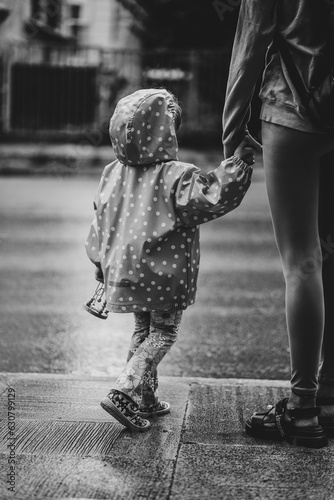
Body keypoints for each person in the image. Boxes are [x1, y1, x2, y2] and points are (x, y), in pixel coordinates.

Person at [85, 88, 253, 432]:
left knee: (142, 329)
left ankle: (146, 399)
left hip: (124, 268)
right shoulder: (176, 174)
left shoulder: (112, 172)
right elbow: (211, 198)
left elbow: (99, 221)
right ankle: (124, 389)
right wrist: (238, 166)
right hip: (163, 272)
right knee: (163, 331)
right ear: (165, 131)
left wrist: (99, 266)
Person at [223, 0, 334, 448]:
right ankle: (328, 392)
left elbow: (250, 45)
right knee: (330, 253)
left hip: (291, 113)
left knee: (302, 263)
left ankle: (303, 409)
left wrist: (232, 132)